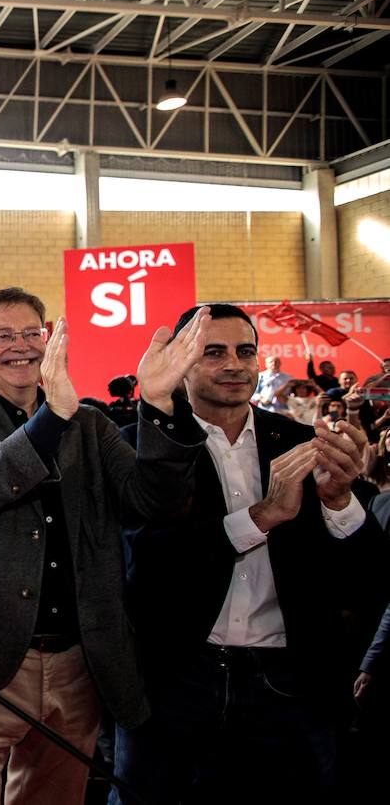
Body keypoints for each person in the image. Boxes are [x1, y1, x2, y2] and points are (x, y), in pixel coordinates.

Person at [0, 287, 212, 805]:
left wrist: (160, 404)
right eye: (2, 336)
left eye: (32, 332)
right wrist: (50, 418)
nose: (21, 346)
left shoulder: (90, 423)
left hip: (76, 660)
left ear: (50, 337)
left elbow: (154, 502)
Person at [111, 304, 389, 803]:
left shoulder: (305, 444)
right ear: (181, 364)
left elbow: (367, 580)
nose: (233, 365)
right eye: (212, 352)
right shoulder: (141, 449)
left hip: (287, 683)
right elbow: (149, 566)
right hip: (177, 678)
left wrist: (340, 503)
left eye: (245, 351)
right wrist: (260, 517)